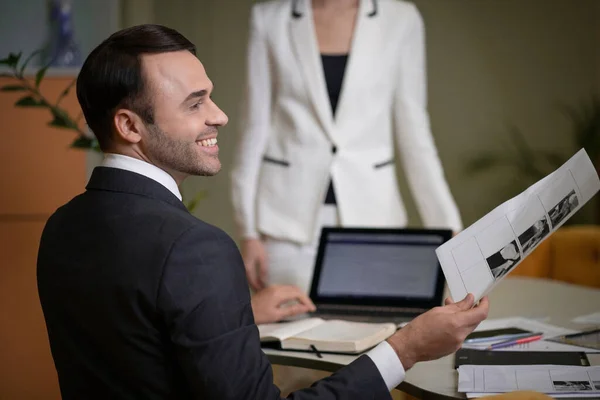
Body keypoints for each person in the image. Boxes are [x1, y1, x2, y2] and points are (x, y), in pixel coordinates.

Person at [37, 24, 489, 399]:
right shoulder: (196, 249)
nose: (220, 116)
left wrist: (235, 314)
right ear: (129, 125)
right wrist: (405, 348)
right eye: (195, 103)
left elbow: (135, 343)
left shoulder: (61, 227)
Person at [231, 0, 463, 294]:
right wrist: (248, 231)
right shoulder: (269, 19)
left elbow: (414, 132)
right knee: (288, 334)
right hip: (286, 225)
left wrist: (447, 228)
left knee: (371, 332)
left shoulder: (401, 18)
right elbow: (254, 127)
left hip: (373, 220)